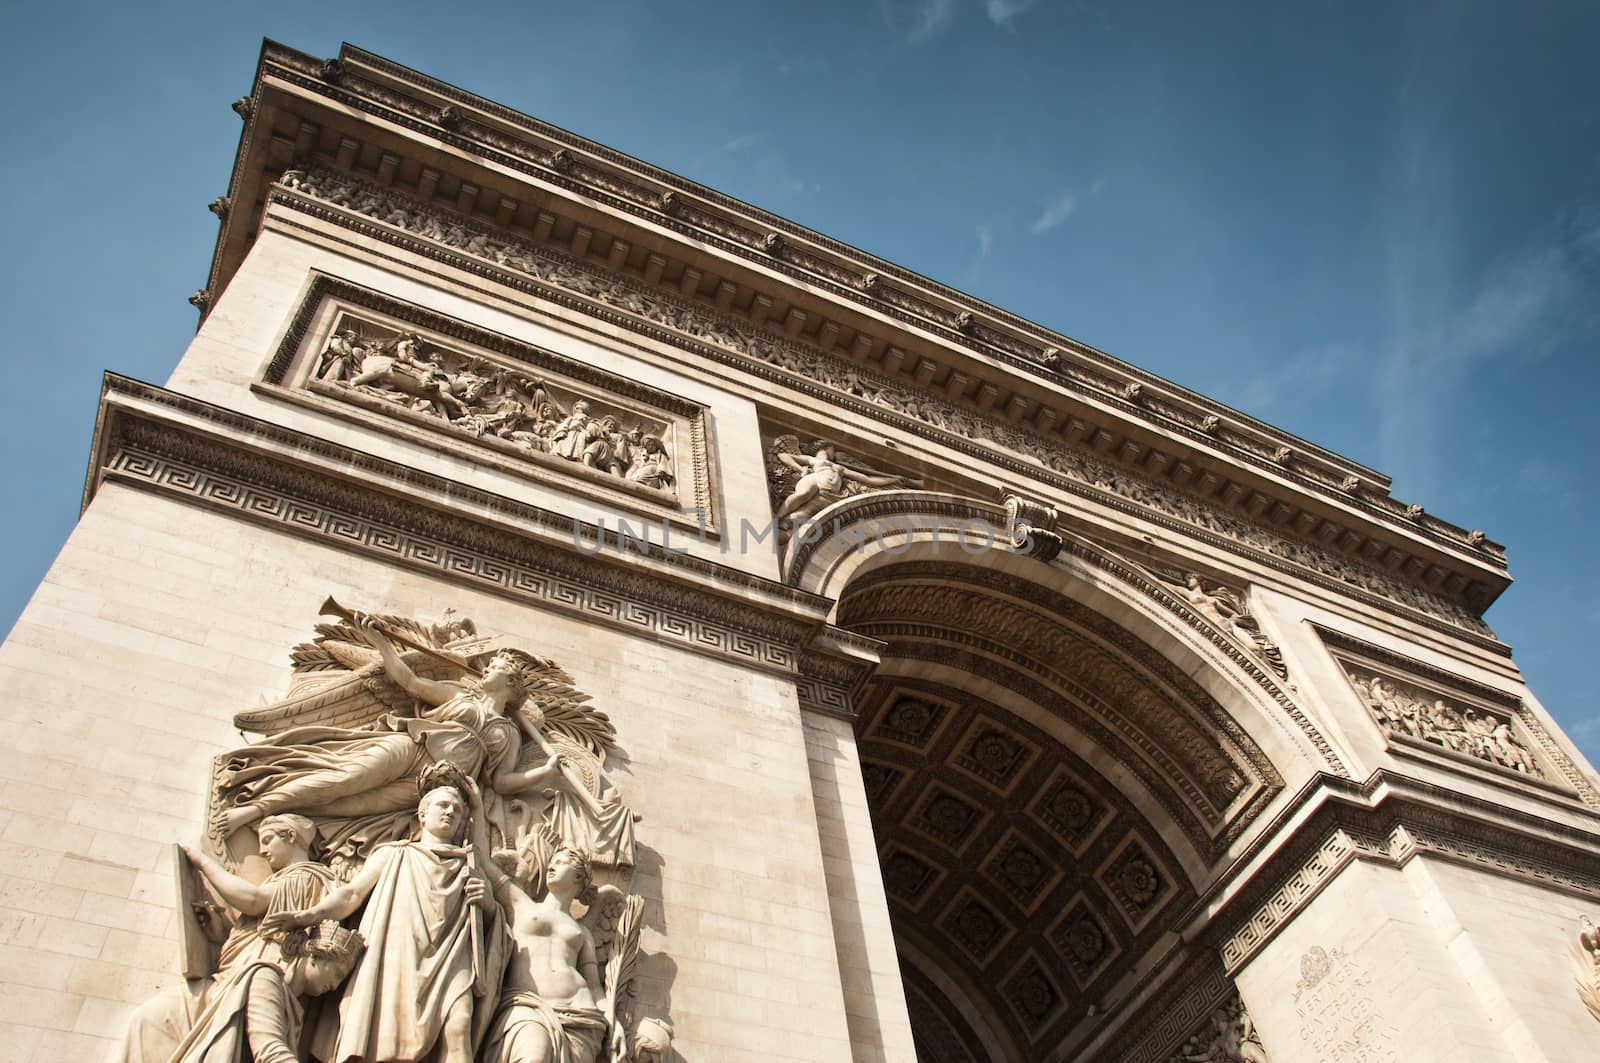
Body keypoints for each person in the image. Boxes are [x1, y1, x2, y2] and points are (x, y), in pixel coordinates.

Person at [213, 623, 563, 841]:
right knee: (344, 778)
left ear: (511, 684)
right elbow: (409, 680)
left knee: (354, 805)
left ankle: (294, 827)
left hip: (433, 785)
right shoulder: (459, 695)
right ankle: (255, 810)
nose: (487, 670)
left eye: (497, 669)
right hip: (412, 748)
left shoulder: (510, 734)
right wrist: (381, 644)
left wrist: (542, 774)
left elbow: (500, 783)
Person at [263, 784, 503, 1063]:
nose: (451, 811)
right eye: (443, 805)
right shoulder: (394, 854)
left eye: (458, 809)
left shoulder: (468, 866)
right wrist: (308, 915)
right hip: (398, 954)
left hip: (451, 956)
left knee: (460, 1024)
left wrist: (487, 904)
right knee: (386, 1034)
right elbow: (351, 894)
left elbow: (486, 930)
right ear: (422, 815)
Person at [116, 815, 339, 1063]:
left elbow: (253, 900)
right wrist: (220, 934)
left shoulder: (306, 876)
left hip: (247, 984)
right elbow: (261, 933)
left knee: (151, 1020)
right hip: (231, 980)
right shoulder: (283, 880)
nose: (263, 851)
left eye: (267, 840)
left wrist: (203, 863)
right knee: (149, 1020)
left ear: (290, 836)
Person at [464, 781, 608, 1063]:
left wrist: (612, 1021)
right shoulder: (521, 903)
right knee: (534, 1056)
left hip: (582, 1017)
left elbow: (594, 987)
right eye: (552, 861)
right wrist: (478, 806)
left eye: (563, 862)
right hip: (527, 1004)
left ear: (579, 878)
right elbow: (483, 861)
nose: (553, 865)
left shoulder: (582, 932)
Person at [170, 920, 363, 1063]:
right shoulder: (266, 979)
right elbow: (268, 1048)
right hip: (166, 1029)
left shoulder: (293, 1007)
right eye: (337, 973)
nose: (335, 986)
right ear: (314, 955)